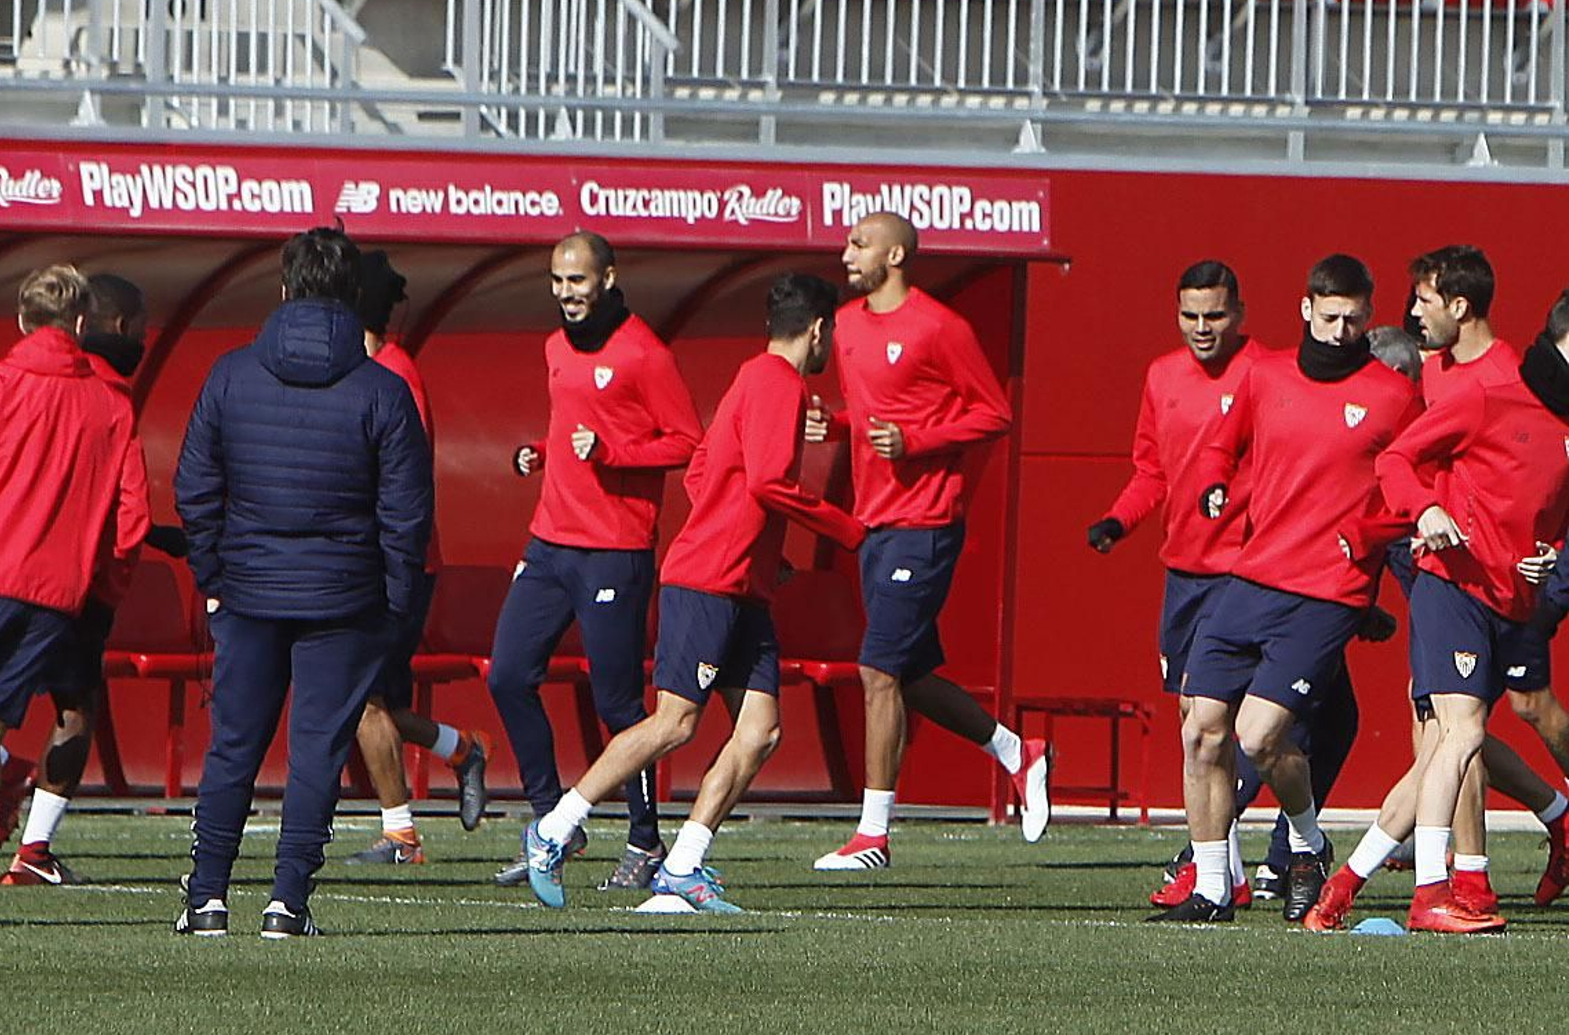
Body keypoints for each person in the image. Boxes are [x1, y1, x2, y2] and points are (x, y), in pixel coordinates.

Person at [522, 273, 865, 912]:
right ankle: (552, 829)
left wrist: (758, 551)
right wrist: (849, 531)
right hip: (708, 583)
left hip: (742, 585)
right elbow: (765, 481)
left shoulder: (753, 378)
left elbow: (705, 471)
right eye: (833, 335)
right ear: (818, 330)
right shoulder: (780, 383)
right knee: (674, 723)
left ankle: (682, 867)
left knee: (760, 732)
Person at [174, 227, 432, 939]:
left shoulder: (229, 373)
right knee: (316, 749)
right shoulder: (384, 390)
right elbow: (406, 516)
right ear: (353, 297)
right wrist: (395, 606)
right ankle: (287, 902)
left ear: (284, 289)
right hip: (345, 599)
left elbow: (194, 486)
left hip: (249, 592)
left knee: (234, 745)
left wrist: (213, 576)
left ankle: (206, 898)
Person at [1087, 260, 1365, 911]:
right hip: (1187, 576)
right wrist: (1116, 521)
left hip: (1256, 576)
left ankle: (1243, 856)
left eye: (1215, 314)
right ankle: (1233, 869)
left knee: (1268, 728)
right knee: (1201, 724)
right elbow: (1151, 471)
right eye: (1191, 315)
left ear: (1239, 313)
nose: (1203, 327)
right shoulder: (1162, 376)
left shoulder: (1270, 373)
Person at [1157, 254, 1420, 923]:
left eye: (1354, 318)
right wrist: (1216, 480)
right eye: (1330, 315)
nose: (1341, 328)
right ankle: (1213, 885)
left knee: (1258, 735)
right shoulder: (1264, 374)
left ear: (1368, 316)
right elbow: (1223, 444)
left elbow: (1423, 480)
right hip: (1251, 577)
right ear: (1307, 309)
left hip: (1329, 588)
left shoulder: (1391, 394)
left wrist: (1367, 536)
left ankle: (1305, 840)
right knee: (1201, 728)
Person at [1308, 291, 1569, 933]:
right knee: (1457, 737)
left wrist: (1546, 551)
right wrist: (1408, 519)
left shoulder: (1503, 389)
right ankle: (1452, 886)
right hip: (1442, 573)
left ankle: (1344, 886)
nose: (1417, 315)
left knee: (1446, 746)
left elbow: (1536, 502)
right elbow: (1393, 467)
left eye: (1425, 300)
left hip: (1492, 584)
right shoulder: (1468, 387)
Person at [805, 212, 1046, 871]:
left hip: (927, 522)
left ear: (897, 253)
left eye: (860, 242)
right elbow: (878, 418)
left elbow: (992, 412)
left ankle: (873, 834)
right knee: (908, 677)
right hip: (875, 524)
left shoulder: (939, 326)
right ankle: (1014, 750)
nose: (847, 252)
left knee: (876, 669)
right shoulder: (848, 323)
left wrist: (918, 442)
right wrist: (837, 426)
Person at [490, 232, 702, 892]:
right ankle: (554, 820)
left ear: (608, 278)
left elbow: (686, 441)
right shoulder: (555, 347)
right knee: (506, 675)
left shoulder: (644, 352)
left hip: (615, 550)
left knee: (618, 702)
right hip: (550, 542)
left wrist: (612, 452)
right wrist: (541, 452)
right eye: (556, 280)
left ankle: (644, 841)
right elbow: (572, 429)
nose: (564, 293)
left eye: (576, 281)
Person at [0, 266, 144, 827]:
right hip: (59, 597)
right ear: (78, 322)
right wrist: (103, 592)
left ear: (23, 319)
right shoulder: (112, 404)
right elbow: (132, 514)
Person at [341, 251, 491, 867]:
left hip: (393, 565)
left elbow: (402, 480)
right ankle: (462, 749)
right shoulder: (371, 368)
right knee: (369, 702)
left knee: (360, 701)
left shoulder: (394, 375)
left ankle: (401, 836)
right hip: (372, 562)